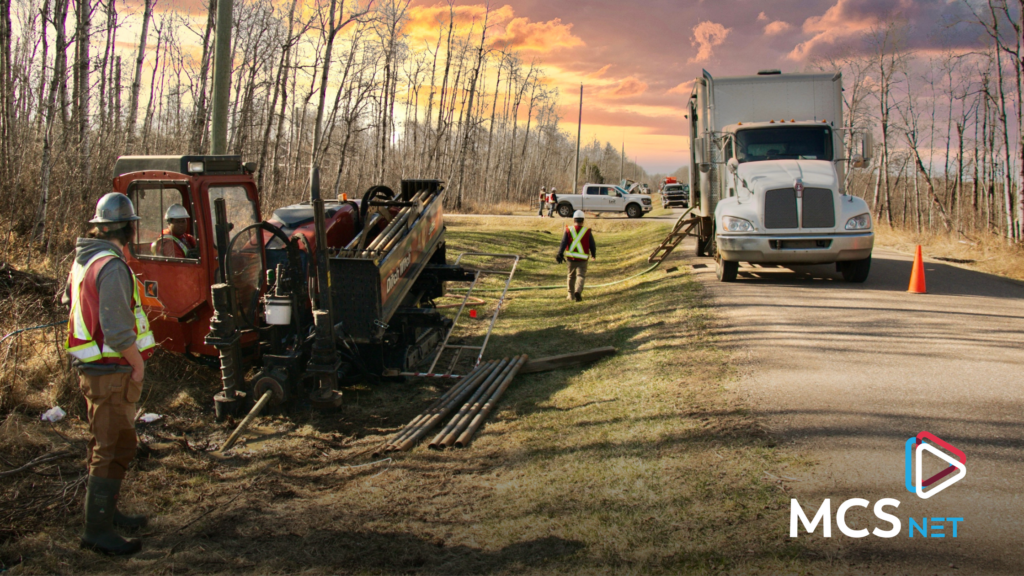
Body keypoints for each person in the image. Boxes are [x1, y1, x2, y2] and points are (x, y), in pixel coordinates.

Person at [65, 193, 156, 556]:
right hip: (110, 371)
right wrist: (138, 363)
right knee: (109, 446)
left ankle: (108, 511)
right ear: (128, 228)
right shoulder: (112, 266)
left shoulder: (87, 259)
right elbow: (117, 331)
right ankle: (96, 529)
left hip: (99, 370)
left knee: (117, 443)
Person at [555, 210, 596, 302]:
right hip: (583, 259)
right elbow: (592, 244)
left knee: (570, 276)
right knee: (581, 275)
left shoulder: (568, 230)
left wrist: (560, 253)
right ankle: (578, 291)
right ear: (583, 220)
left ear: (574, 220)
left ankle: (570, 295)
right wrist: (593, 254)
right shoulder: (587, 231)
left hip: (571, 258)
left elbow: (563, 242)